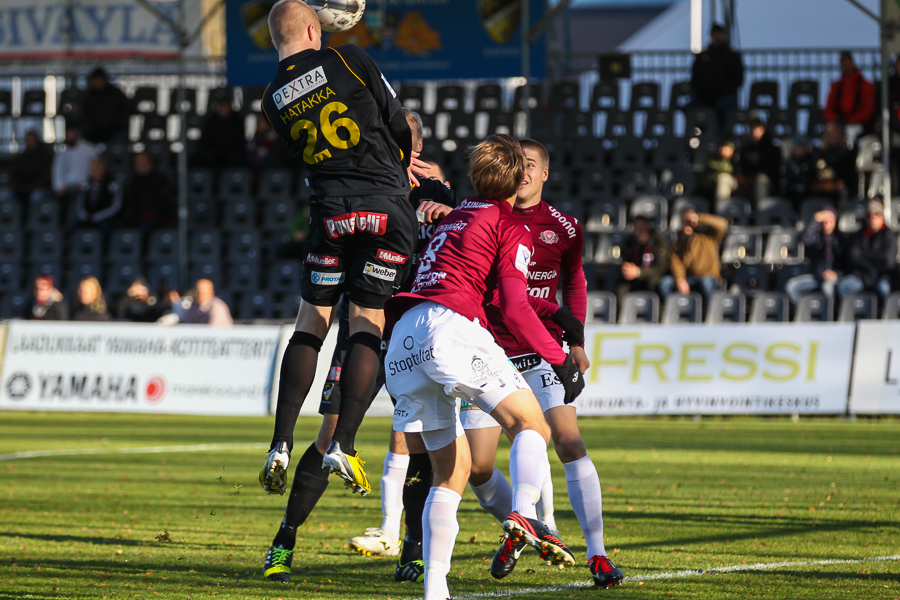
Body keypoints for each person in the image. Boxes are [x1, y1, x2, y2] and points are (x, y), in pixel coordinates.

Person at [255, 0, 425, 584]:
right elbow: (395, 124)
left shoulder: (272, 98)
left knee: (312, 320)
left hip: (329, 215)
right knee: (366, 340)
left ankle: (280, 442)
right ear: (312, 30)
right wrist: (403, 164)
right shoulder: (350, 60)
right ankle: (293, 528)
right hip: (382, 226)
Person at [384, 135, 584, 600]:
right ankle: (524, 512)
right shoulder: (512, 226)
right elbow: (512, 309)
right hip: (451, 328)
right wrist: (558, 359)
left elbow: (489, 288)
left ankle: (436, 591)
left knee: (450, 473)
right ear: (517, 179)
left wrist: (555, 314)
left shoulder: (459, 216)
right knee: (532, 422)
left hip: (406, 336)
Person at [444, 138, 623, 589]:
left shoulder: (563, 227)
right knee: (480, 467)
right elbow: (506, 297)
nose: (523, 173)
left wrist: (575, 339)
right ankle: (527, 526)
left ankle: (597, 553)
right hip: (486, 351)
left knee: (566, 438)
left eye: (531, 166)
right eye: (517, 165)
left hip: (538, 350)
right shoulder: (485, 217)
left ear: (545, 173)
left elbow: (574, 280)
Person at [348, 111, 458, 584]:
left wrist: (445, 204)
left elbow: (451, 231)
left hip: (427, 325)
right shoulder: (371, 182)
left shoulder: (432, 188)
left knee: (439, 450)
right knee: (407, 436)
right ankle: (402, 540)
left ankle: (412, 543)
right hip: (386, 323)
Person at [659, 210, 728, 302]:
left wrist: (699, 218)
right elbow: (676, 264)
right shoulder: (678, 245)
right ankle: (674, 310)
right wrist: (680, 279)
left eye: (690, 221)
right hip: (690, 279)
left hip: (710, 277)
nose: (688, 224)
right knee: (665, 283)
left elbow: (723, 225)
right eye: (685, 221)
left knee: (706, 282)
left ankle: (709, 313)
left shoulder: (708, 237)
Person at [837, 199, 895, 302]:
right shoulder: (859, 235)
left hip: (881, 275)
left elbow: (888, 261)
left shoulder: (889, 236)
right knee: (844, 286)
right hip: (862, 275)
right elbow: (853, 258)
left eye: (876, 215)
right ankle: (851, 313)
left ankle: (881, 315)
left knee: (883, 288)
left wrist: (866, 257)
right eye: (869, 216)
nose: (873, 219)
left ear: (882, 218)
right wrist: (872, 264)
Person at [690, 23, 744, 128]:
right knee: (691, 108)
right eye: (714, 34)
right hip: (705, 96)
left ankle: (722, 136)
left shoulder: (732, 56)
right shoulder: (703, 57)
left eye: (718, 34)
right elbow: (695, 78)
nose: (716, 37)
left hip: (725, 96)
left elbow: (737, 79)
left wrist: (721, 91)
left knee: (723, 108)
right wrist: (704, 92)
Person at [785, 207, 842, 306]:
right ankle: (806, 310)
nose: (827, 225)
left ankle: (829, 316)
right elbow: (805, 239)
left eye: (830, 221)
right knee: (792, 286)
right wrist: (815, 220)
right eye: (824, 222)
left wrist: (836, 273)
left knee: (827, 288)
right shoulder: (817, 238)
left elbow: (847, 262)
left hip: (835, 278)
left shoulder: (841, 239)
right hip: (817, 277)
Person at [617, 214, 670, 306]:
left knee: (655, 284)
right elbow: (625, 261)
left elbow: (661, 269)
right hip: (634, 278)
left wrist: (639, 272)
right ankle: (622, 316)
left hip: (652, 276)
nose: (640, 231)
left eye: (642, 228)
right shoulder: (629, 243)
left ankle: (658, 316)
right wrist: (626, 269)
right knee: (621, 287)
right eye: (637, 228)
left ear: (647, 228)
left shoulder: (658, 242)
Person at [823, 51, 876, 137]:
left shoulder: (865, 85)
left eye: (847, 62)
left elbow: (868, 110)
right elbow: (829, 109)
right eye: (843, 63)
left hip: (859, 125)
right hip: (839, 124)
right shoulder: (836, 86)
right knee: (831, 132)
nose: (845, 66)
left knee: (852, 131)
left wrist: (850, 120)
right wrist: (837, 120)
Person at [121, 152, 176, 232]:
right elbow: (129, 203)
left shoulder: (161, 179)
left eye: (144, 162)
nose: (141, 165)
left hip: (158, 218)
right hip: (138, 218)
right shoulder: (133, 181)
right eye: (138, 163)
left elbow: (165, 202)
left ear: (150, 162)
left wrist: (151, 215)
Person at [79, 67, 132, 145]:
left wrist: (116, 125)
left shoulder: (116, 94)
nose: (98, 82)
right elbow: (83, 114)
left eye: (100, 79)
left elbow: (126, 110)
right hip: (93, 132)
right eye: (96, 80)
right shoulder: (87, 96)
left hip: (114, 131)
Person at [735, 117, 781, 203]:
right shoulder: (745, 149)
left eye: (759, 130)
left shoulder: (773, 150)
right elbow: (739, 166)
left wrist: (753, 178)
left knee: (760, 180)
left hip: (766, 182)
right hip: (746, 182)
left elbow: (773, 171)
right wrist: (740, 177)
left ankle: (762, 213)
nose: (755, 133)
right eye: (753, 130)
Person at [75, 158, 122, 231]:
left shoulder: (112, 185)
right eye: (94, 169)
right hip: (88, 217)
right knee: (75, 228)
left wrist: (98, 216)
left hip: (106, 217)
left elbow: (115, 206)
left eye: (98, 168)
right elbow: (80, 204)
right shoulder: (85, 186)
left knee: (106, 227)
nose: (96, 172)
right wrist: (85, 216)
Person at [52, 124, 96, 202]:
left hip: (85, 187)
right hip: (66, 189)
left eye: (73, 132)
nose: (71, 134)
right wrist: (59, 187)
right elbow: (57, 171)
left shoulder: (89, 149)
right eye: (69, 132)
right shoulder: (62, 151)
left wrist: (85, 183)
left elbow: (95, 170)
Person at [813, 123, 857, 203]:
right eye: (831, 134)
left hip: (840, 190)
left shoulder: (847, 154)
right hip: (822, 189)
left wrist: (835, 184)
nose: (834, 137)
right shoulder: (822, 154)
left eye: (836, 134)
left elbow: (848, 177)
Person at [198, 98, 247, 169]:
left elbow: (239, 141)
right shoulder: (211, 121)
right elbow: (205, 141)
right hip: (213, 155)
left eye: (227, 108)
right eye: (223, 107)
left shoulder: (237, 120)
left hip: (231, 155)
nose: (225, 110)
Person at [7, 130, 53, 203]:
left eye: (32, 140)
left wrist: (30, 188)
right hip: (20, 189)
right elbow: (13, 176)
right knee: (5, 196)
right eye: (28, 140)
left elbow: (45, 178)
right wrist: (17, 187)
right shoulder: (20, 158)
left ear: (37, 141)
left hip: (38, 188)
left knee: (36, 197)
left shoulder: (45, 158)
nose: (30, 142)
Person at [782, 136, 817, 206]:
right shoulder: (790, 161)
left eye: (802, 146)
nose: (800, 149)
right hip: (792, 194)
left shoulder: (811, 161)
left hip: (808, 194)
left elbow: (813, 178)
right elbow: (785, 179)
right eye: (798, 146)